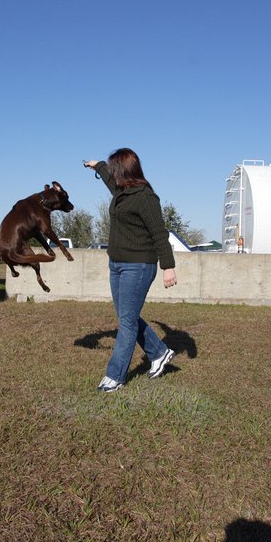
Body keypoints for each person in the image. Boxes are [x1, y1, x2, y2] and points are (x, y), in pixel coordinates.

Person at [84, 148, 178, 392]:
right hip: (116, 264)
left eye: (115, 170)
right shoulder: (120, 191)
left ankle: (115, 376)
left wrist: (168, 267)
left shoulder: (146, 197)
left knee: (126, 322)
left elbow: (160, 233)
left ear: (125, 171)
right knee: (128, 317)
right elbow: (107, 179)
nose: (112, 174)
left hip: (139, 266)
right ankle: (159, 352)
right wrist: (97, 165)